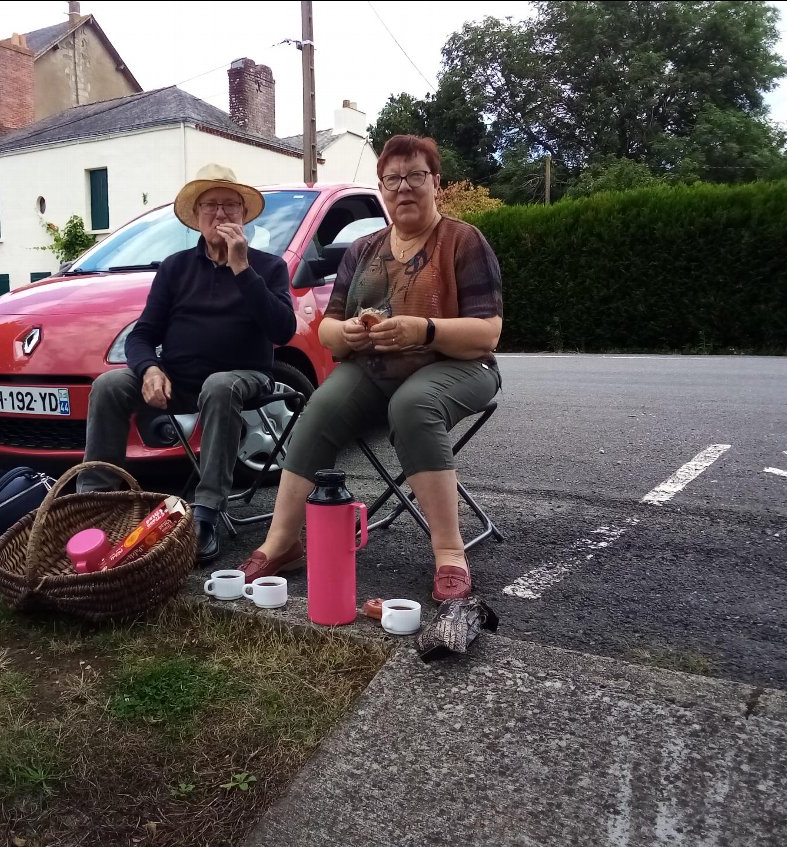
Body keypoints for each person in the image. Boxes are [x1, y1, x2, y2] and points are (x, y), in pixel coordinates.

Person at [237, 135, 503, 602]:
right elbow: (327, 330)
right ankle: (283, 542)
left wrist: (424, 330)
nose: (404, 187)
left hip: (459, 365)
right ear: (381, 188)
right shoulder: (362, 250)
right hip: (375, 365)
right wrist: (348, 336)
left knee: (413, 404)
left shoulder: (463, 240)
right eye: (392, 179)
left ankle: (449, 551)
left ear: (435, 184)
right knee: (318, 410)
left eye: (415, 176)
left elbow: (488, 333)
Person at [77, 164, 296, 563]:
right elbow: (142, 335)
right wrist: (150, 369)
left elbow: (282, 330)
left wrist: (242, 267)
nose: (221, 214)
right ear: (196, 218)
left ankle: (208, 511)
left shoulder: (268, 267)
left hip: (243, 376)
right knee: (108, 386)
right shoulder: (175, 268)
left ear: (244, 216)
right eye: (210, 206)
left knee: (220, 384)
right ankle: (96, 502)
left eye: (230, 205)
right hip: (177, 377)